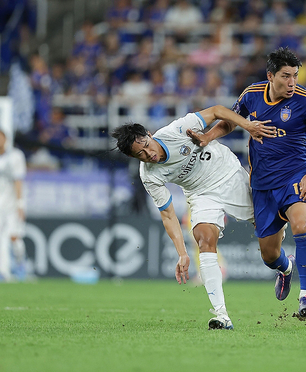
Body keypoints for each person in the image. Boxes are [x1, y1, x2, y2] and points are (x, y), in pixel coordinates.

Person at [188, 47, 306, 318]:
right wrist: (207, 137)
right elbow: (230, 122)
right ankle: (286, 268)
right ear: (270, 75)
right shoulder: (251, 95)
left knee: (302, 224)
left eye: (295, 76)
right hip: (262, 185)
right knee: (269, 256)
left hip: (295, 177)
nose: (292, 83)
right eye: (286, 76)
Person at [111, 105, 274, 330]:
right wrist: (182, 254)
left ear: (149, 135)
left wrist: (247, 126)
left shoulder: (177, 130)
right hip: (201, 194)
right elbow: (168, 215)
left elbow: (217, 110)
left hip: (227, 174)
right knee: (204, 240)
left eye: (146, 146)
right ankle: (221, 315)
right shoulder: (148, 175)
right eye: (140, 154)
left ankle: (284, 266)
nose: (149, 154)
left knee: (271, 242)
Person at [0, 129, 28, 282]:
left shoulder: (16, 156)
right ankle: (1, 272)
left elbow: (18, 181)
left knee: (15, 237)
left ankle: (21, 266)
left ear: (5, 139)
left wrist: (20, 204)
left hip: (13, 203)